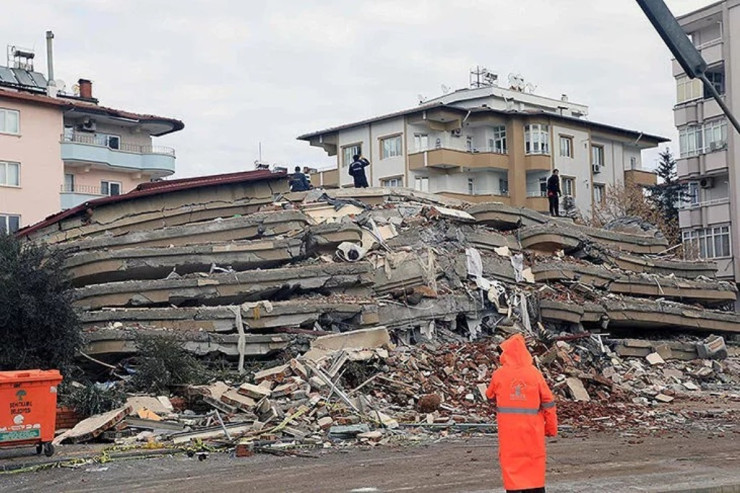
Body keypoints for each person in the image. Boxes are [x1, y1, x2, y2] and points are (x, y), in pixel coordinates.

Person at [486, 334, 558, 493]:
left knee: (513, 474)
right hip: (533, 433)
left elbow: (489, 396)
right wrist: (551, 429)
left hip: (509, 436)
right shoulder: (534, 374)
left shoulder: (499, 374)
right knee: (534, 471)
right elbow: (549, 403)